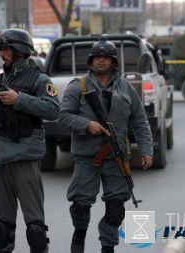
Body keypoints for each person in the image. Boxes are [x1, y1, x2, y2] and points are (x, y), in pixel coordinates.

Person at [57, 37, 153, 253]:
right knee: (81, 205)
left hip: (116, 157)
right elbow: (62, 117)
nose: (101, 61)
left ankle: (107, 247)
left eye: (105, 57)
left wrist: (147, 150)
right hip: (87, 157)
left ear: (113, 61)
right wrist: (86, 124)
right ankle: (79, 235)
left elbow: (140, 120)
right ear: (91, 60)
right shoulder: (78, 86)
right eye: (97, 57)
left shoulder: (126, 87)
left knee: (116, 208)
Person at [0, 28, 60, 253]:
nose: (1, 54)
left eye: (6, 49)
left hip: (24, 157)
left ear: (20, 51)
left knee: (34, 225)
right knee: (3, 224)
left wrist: (19, 99)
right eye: (1, 49)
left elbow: (54, 109)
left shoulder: (39, 78)